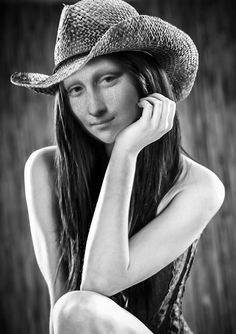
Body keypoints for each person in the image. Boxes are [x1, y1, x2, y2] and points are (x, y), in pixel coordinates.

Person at [11, 0, 225, 333]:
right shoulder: (44, 169)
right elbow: (63, 308)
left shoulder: (198, 186)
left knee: (77, 309)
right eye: (76, 89)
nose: (94, 107)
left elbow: (99, 283)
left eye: (108, 79)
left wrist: (125, 152)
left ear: (144, 80)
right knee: (70, 309)